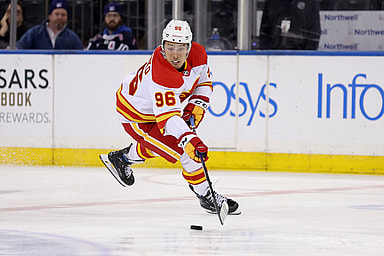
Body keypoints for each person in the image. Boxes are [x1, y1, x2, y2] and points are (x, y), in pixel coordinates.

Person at [105, 19, 239, 215]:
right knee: (185, 151)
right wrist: (190, 139)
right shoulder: (162, 75)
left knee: (164, 147)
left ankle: (123, 158)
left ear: (189, 47)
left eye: (181, 47)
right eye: (170, 47)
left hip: (156, 111)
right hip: (136, 117)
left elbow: (204, 81)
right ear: (162, 46)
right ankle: (206, 196)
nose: (175, 54)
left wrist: (195, 106)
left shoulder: (199, 54)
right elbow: (168, 119)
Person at [16, 0, 83, 49]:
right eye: (57, 14)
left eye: (63, 15)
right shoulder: (35, 33)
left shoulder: (73, 38)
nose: (60, 17)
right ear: (50, 16)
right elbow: (19, 48)